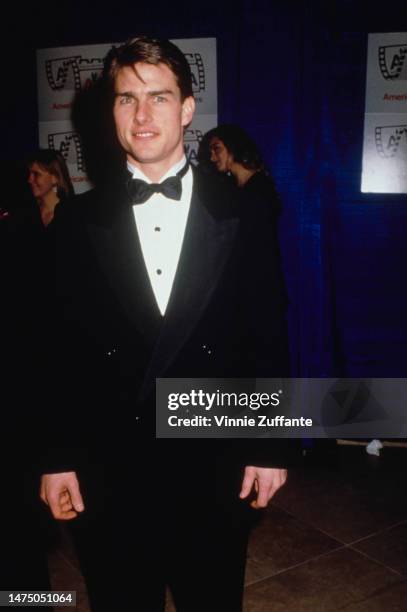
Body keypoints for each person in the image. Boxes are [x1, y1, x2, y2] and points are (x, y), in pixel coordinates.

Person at [39, 36, 293, 612]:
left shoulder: (243, 211)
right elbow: (54, 350)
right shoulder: (75, 223)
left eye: (159, 97)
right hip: (112, 468)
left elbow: (268, 331)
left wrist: (272, 445)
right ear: (112, 111)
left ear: (186, 109)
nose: (143, 115)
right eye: (127, 99)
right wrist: (55, 457)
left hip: (213, 461)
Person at [1, 151, 74, 607]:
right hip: (28, 346)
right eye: (26, 173)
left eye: (35, 173)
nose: (29, 179)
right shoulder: (21, 222)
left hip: (64, 343)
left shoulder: (76, 217)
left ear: (54, 177)